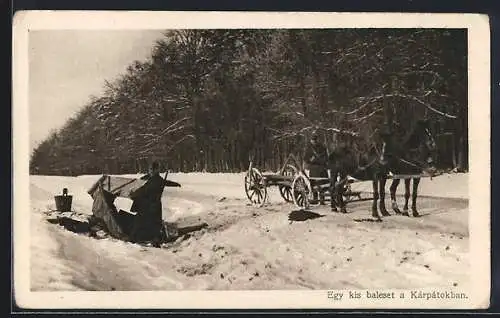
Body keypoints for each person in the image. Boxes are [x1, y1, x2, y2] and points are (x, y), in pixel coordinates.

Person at [129, 161, 168, 247]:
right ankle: (150, 237)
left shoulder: (156, 180)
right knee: (151, 222)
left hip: (151, 205)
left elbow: (145, 190)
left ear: (156, 170)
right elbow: (142, 186)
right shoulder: (151, 178)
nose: (150, 171)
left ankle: (136, 238)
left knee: (142, 221)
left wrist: (134, 194)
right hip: (150, 204)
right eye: (150, 169)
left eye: (152, 169)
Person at [303, 130, 328, 204]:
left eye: (314, 140)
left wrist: (322, 160)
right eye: (312, 140)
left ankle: (322, 199)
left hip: (321, 167)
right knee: (314, 183)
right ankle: (315, 198)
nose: (313, 142)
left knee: (323, 184)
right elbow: (305, 158)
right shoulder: (309, 148)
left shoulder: (322, 147)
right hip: (313, 167)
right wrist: (311, 160)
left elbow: (326, 157)